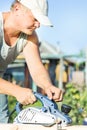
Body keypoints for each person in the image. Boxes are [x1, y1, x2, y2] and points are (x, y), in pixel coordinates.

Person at [0, 0, 63, 123]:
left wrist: (48, 86)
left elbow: (37, 69)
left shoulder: (29, 36)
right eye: (35, 18)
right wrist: (16, 91)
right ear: (17, 9)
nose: (38, 25)